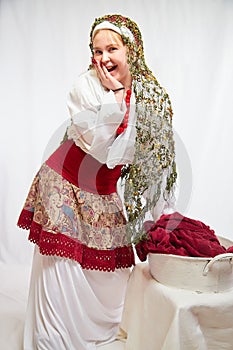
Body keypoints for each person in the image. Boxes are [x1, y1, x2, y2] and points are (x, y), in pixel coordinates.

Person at [17, 14, 177, 349]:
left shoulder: (150, 96)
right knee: (63, 269)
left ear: (131, 50)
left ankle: (99, 333)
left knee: (115, 272)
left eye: (112, 49)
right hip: (63, 184)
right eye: (97, 50)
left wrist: (161, 218)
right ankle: (56, 338)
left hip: (101, 192)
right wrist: (115, 96)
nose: (104, 58)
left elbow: (155, 159)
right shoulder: (85, 87)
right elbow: (103, 147)